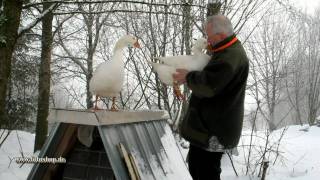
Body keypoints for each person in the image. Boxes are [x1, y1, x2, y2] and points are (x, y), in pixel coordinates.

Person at [173, 14, 249, 180]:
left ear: (220, 35)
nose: (207, 40)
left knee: (206, 173)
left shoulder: (230, 57)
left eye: (209, 36)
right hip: (209, 128)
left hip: (215, 131)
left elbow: (209, 86)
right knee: (197, 166)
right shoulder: (227, 50)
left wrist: (188, 76)